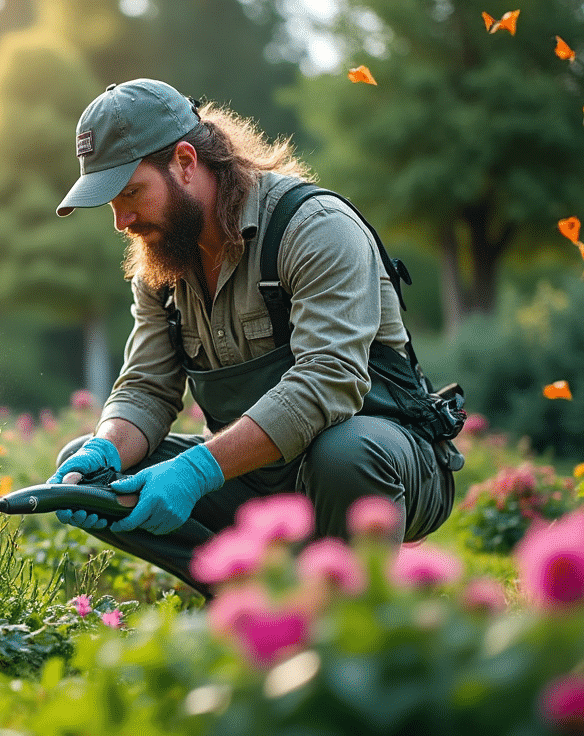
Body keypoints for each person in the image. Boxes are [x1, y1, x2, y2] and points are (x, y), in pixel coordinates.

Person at [49, 78, 463, 597]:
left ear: (184, 161)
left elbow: (328, 382)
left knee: (345, 452)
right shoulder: (163, 262)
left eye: (130, 193)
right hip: (259, 475)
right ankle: (254, 607)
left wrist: (198, 470)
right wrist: (106, 449)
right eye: (111, 202)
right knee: (94, 482)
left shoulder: (313, 227)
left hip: (382, 460)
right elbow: (146, 390)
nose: (121, 220)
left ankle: (360, 619)